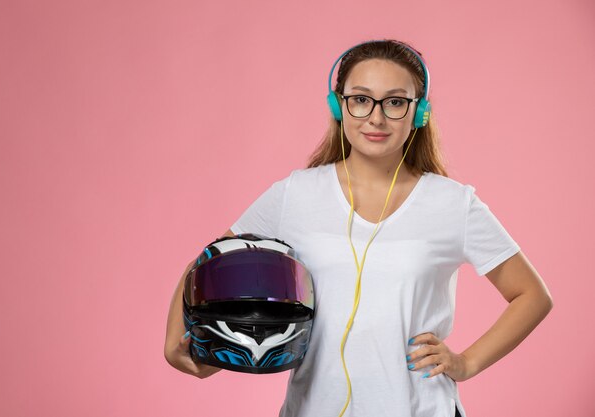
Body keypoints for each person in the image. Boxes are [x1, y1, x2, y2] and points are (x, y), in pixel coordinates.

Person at [164, 39, 553, 417]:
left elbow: (532, 295)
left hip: (421, 408)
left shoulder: (454, 204)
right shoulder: (297, 193)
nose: (377, 117)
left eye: (396, 102)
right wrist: (181, 343)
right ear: (339, 105)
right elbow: (211, 261)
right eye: (361, 99)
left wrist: (467, 362)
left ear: (419, 112)